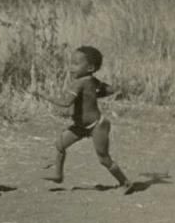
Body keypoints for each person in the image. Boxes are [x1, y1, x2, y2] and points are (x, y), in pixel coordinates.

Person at [32, 46, 134, 194]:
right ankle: (58, 175)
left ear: (90, 67)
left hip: (97, 126)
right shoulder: (91, 80)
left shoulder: (79, 83)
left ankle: (126, 182)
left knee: (104, 159)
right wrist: (121, 88)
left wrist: (42, 94)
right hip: (81, 126)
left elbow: (66, 102)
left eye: (75, 64)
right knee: (60, 145)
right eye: (71, 63)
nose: (71, 67)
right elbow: (108, 89)